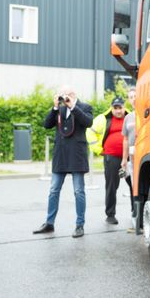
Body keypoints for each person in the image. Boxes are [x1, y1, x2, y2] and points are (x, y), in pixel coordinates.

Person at [33, 86, 93, 238]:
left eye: (67, 94)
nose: (64, 97)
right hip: (61, 155)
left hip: (77, 155)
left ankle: (80, 225)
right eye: (62, 95)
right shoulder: (59, 110)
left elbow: (88, 122)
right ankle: (49, 223)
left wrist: (73, 106)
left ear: (74, 94)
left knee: (78, 191)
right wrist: (54, 107)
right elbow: (47, 125)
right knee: (53, 190)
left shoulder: (84, 107)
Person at [96, 97, 127, 225]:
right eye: (115, 108)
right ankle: (110, 215)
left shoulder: (130, 117)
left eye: (120, 108)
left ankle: (136, 213)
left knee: (134, 185)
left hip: (129, 157)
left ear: (124, 107)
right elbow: (91, 132)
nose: (118, 111)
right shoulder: (105, 119)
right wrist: (98, 149)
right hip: (111, 157)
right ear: (111, 108)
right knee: (112, 186)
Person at [121, 87, 138, 231]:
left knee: (141, 188)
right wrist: (124, 159)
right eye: (131, 97)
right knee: (133, 188)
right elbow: (125, 139)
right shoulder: (128, 117)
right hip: (131, 160)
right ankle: (135, 216)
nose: (133, 99)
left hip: (143, 158)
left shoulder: (146, 114)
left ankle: (141, 219)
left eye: (135, 96)